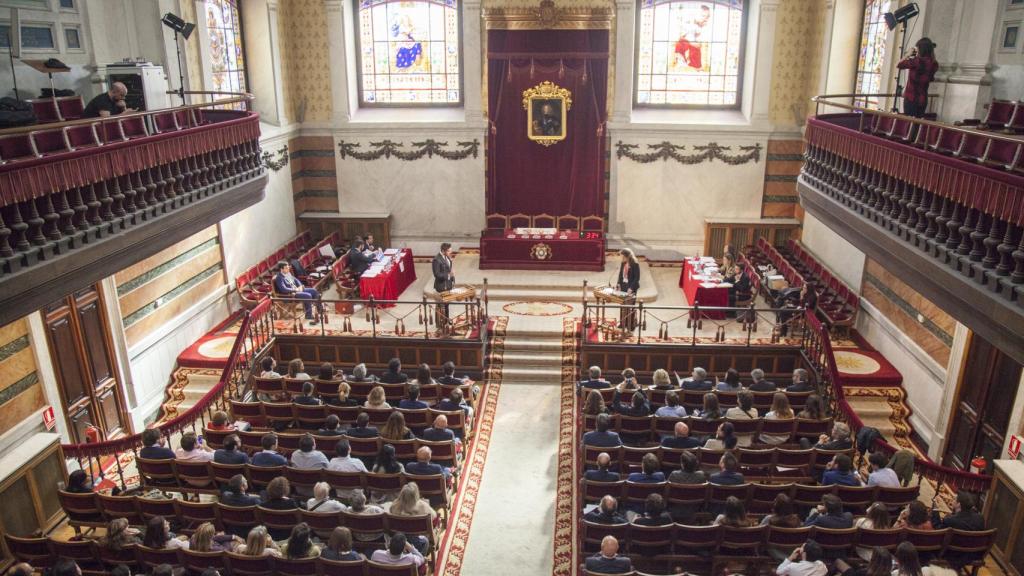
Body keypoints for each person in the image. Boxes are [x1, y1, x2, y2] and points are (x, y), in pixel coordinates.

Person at [897, 38, 939, 118]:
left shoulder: (916, 61)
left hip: (911, 98)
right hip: (922, 99)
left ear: (921, 49)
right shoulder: (934, 63)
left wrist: (907, 55)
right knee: (917, 125)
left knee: (909, 125)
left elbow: (899, 64)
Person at [388, 483, 436, 553]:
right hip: (417, 541)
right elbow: (434, 516)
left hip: (399, 538)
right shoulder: (423, 506)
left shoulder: (394, 505)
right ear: (416, 495)